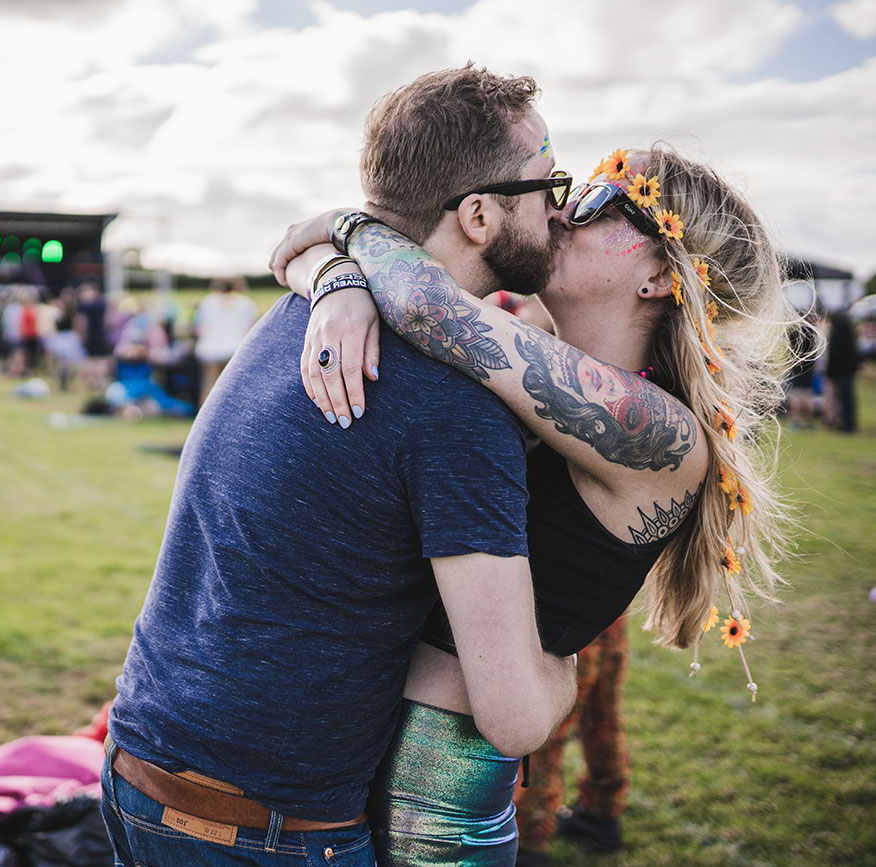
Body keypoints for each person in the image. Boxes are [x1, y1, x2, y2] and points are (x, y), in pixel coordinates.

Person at [270, 135, 802, 863]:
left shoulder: (661, 434)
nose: (560, 212)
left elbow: (422, 303)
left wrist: (351, 228)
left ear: (656, 273)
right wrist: (336, 273)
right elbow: (326, 267)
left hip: (433, 813)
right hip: (347, 777)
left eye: (600, 200)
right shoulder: (529, 359)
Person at [103, 66, 578, 867]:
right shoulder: (454, 406)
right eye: (547, 182)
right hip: (266, 828)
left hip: (139, 765)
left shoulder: (298, 311)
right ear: (479, 214)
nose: (560, 205)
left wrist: (333, 265)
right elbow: (514, 717)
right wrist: (565, 661)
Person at [513, 617, 630, 867]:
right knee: (603, 709)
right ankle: (602, 812)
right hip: (611, 605)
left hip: (575, 610)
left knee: (551, 722)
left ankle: (528, 838)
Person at [192, 275, 258, 406]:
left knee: (210, 386)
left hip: (210, 350)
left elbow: (198, 329)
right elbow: (250, 329)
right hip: (236, 349)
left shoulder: (207, 302)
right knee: (235, 387)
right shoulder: (246, 303)